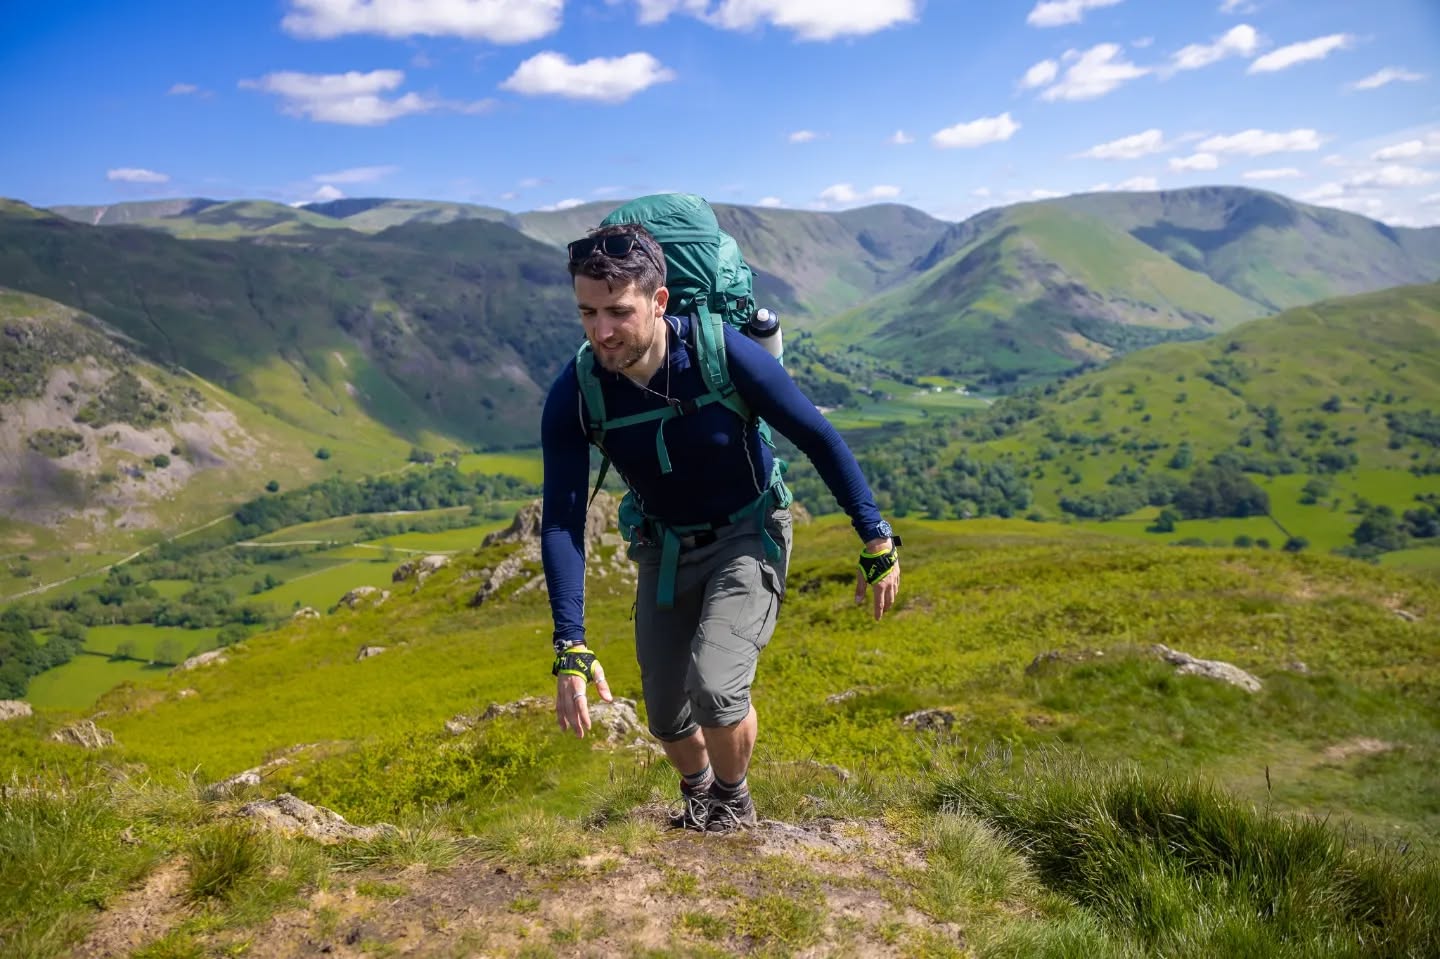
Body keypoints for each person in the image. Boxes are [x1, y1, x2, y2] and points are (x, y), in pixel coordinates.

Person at [540, 221, 901, 832]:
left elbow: (816, 434)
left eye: (618, 312)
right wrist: (570, 646)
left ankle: (733, 808)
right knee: (664, 712)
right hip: (665, 544)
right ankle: (702, 795)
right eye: (587, 312)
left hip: (747, 531)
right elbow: (562, 522)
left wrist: (876, 535)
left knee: (715, 687)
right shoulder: (577, 391)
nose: (601, 331)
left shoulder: (719, 352)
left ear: (659, 302)